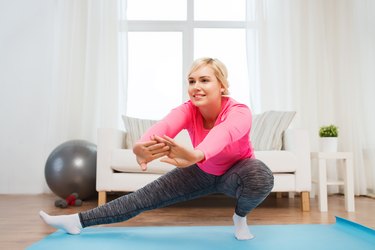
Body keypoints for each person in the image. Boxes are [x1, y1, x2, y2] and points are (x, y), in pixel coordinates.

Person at [40, 57, 274, 240]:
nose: (196, 87)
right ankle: (77, 221)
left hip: (237, 172)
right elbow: (164, 127)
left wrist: (196, 154)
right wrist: (139, 147)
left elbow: (224, 134)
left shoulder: (239, 111)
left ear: (222, 86)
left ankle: (240, 218)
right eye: (191, 81)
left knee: (260, 175)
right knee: (143, 198)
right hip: (201, 171)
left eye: (204, 80)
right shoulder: (188, 110)